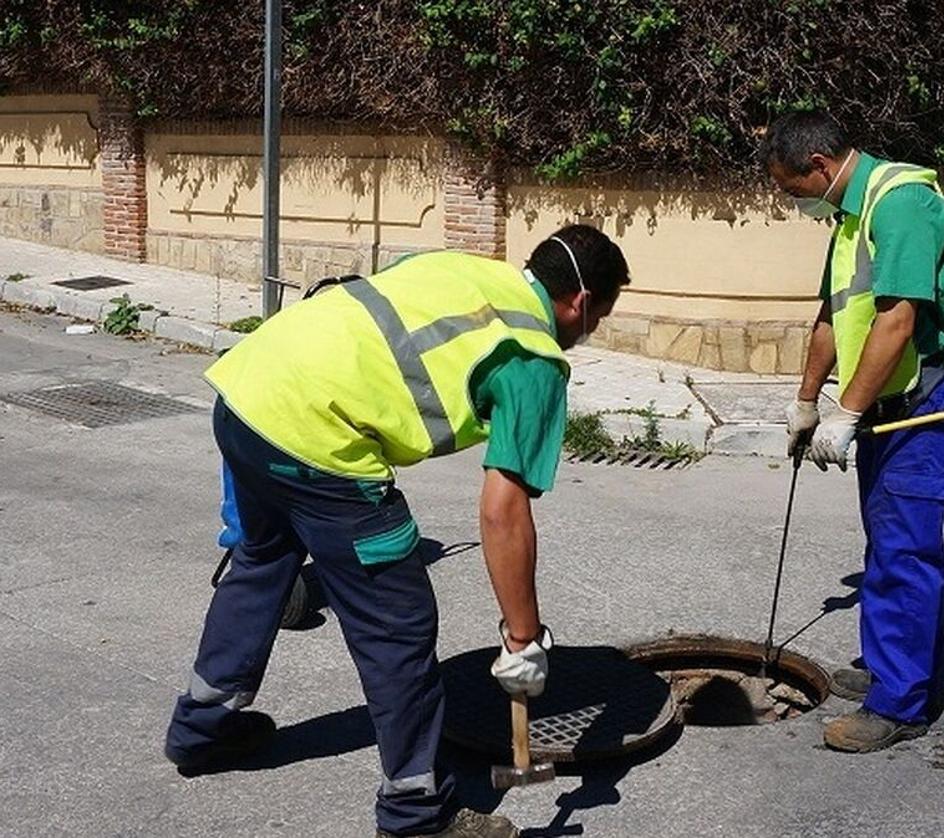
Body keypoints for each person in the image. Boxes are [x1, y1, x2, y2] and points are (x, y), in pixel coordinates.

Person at [164, 225, 630, 838]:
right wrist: (523, 639)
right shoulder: (532, 360)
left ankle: (202, 729)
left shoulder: (465, 268)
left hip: (248, 393)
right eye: (600, 316)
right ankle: (416, 811)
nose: (589, 332)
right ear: (581, 302)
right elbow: (503, 512)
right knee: (397, 624)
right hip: (319, 441)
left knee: (261, 564)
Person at [761, 112, 944, 753]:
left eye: (793, 191)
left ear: (820, 166)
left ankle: (901, 704)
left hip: (924, 400)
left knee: (904, 548)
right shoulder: (851, 215)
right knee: (883, 538)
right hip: (883, 399)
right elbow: (834, 312)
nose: (795, 203)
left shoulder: (904, 202)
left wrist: (846, 414)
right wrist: (805, 402)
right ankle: (888, 666)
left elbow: (897, 321)